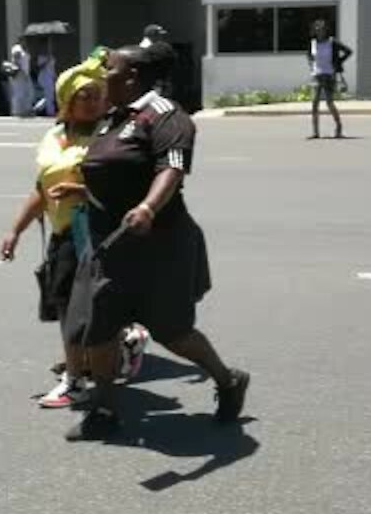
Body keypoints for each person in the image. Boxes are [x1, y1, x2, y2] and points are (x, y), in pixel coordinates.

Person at [60, 43, 251, 441]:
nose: (101, 76)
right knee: (98, 328)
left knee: (171, 330)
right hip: (110, 244)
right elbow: (113, 172)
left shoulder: (165, 115)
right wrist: (80, 192)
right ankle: (105, 409)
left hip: (158, 245)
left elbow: (173, 167)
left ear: (130, 77)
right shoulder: (114, 117)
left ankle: (228, 379)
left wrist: (148, 206)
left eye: (108, 69)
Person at [0, 50, 150, 409]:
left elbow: (129, 188)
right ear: (66, 100)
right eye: (85, 95)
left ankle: (75, 380)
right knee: (71, 307)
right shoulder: (54, 136)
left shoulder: (110, 136)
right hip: (65, 235)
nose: (94, 101)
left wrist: (80, 190)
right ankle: (117, 345)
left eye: (98, 94)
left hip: (99, 235)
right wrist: (15, 231)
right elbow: (41, 189)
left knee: (76, 311)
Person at [307, 19, 352, 139]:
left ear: (325, 30)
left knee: (329, 103)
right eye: (317, 29)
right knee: (314, 103)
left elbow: (348, 51)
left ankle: (339, 127)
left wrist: (337, 63)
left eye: (322, 29)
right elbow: (310, 56)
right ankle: (315, 132)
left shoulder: (332, 42)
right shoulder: (313, 43)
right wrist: (311, 65)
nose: (319, 32)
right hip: (317, 75)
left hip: (329, 75)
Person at [8, 38, 34, 117]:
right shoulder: (17, 48)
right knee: (19, 93)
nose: (25, 42)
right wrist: (20, 70)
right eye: (23, 40)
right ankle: (16, 111)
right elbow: (16, 59)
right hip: (19, 73)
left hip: (25, 73)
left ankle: (26, 110)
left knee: (29, 92)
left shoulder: (24, 50)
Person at [36, 48, 58, 118]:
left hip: (50, 77)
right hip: (44, 78)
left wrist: (55, 77)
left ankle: (37, 108)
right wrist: (46, 61)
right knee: (49, 96)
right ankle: (50, 112)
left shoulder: (52, 57)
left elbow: (52, 68)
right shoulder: (41, 57)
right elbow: (39, 66)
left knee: (49, 96)